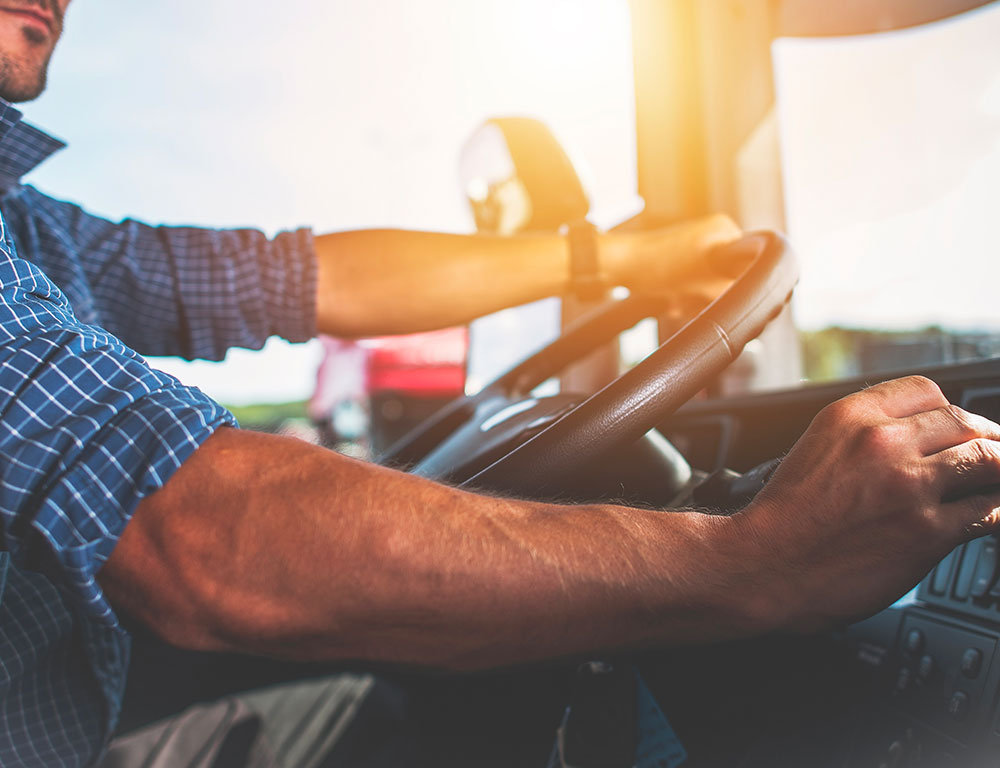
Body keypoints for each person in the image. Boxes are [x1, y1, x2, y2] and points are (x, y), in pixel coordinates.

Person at [2, 1, 1000, 766]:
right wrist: (759, 559)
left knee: (399, 713)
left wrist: (613, 261)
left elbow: (289, 277)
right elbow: (198, 528)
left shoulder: (32, 225)